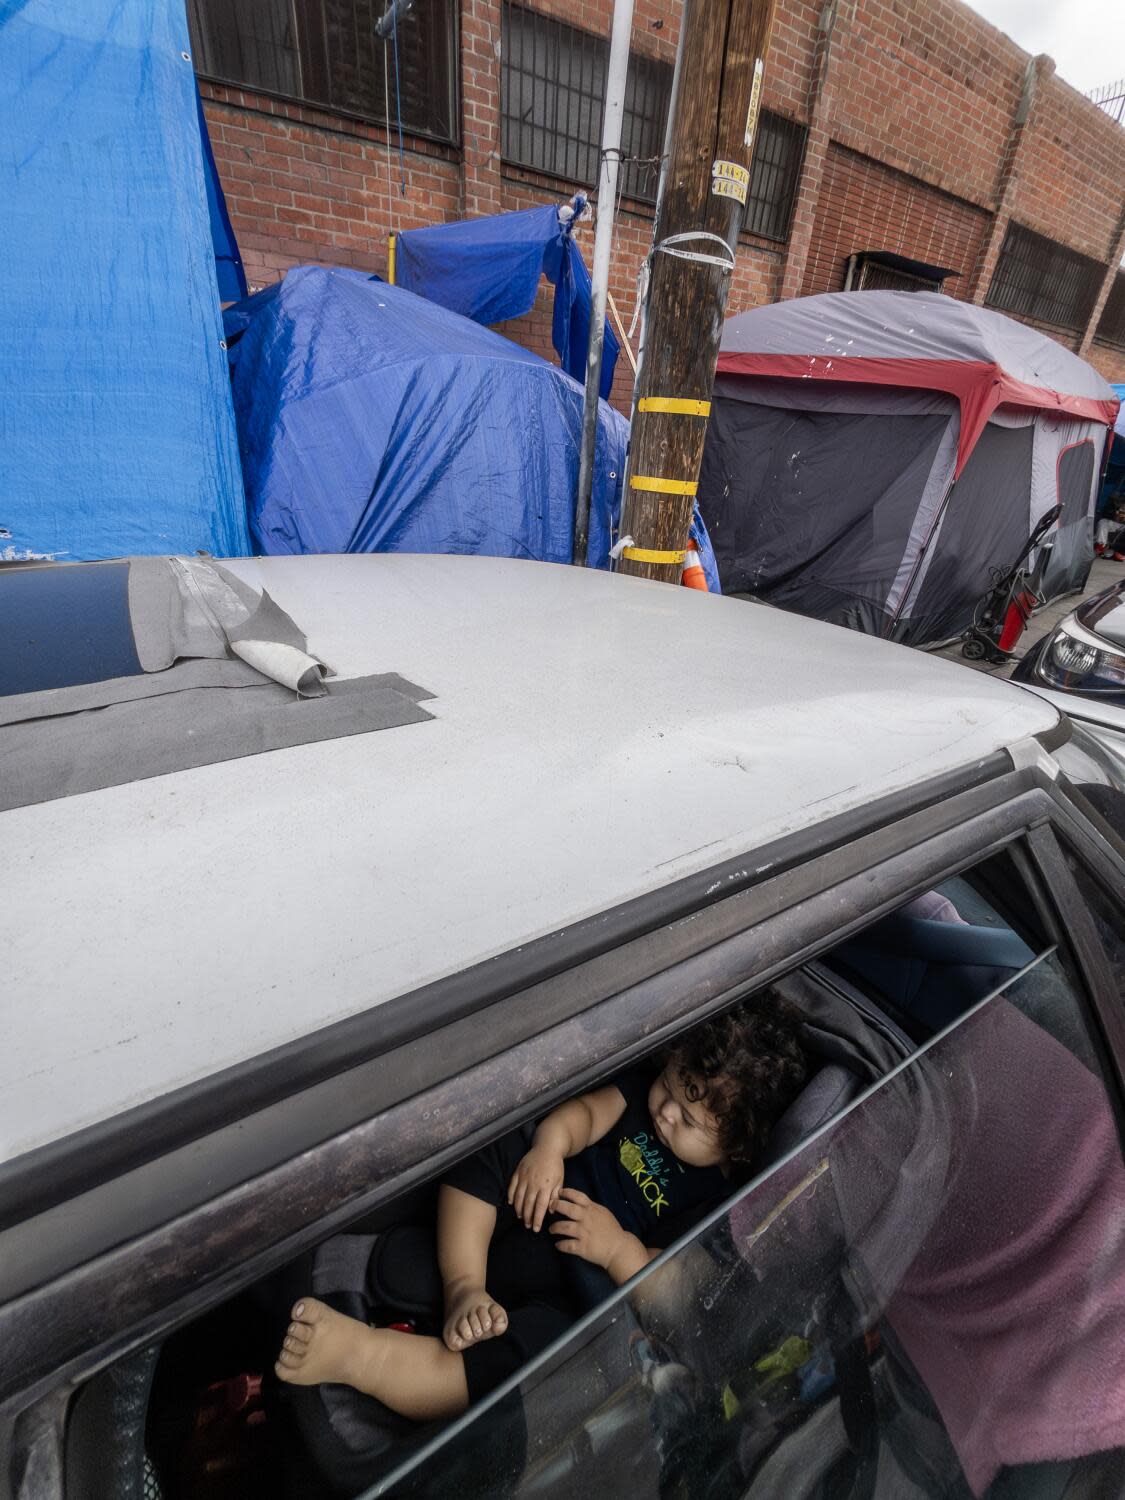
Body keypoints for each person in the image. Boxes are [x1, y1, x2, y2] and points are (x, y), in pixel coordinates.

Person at [273, 994, 809, 1422]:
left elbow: (677, 1289)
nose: (667, 1112)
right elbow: (584, 1115)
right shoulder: (641, 1098)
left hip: (572, 1294)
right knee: (499, 1148)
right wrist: (551, 1148)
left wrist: (620, 1249)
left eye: (690, 1122)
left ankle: (363, 1358)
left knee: (526, 1372)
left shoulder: (714, 1199)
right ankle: (464, 1287)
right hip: (531, 1200)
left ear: (736, 1149)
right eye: (670, 1087)